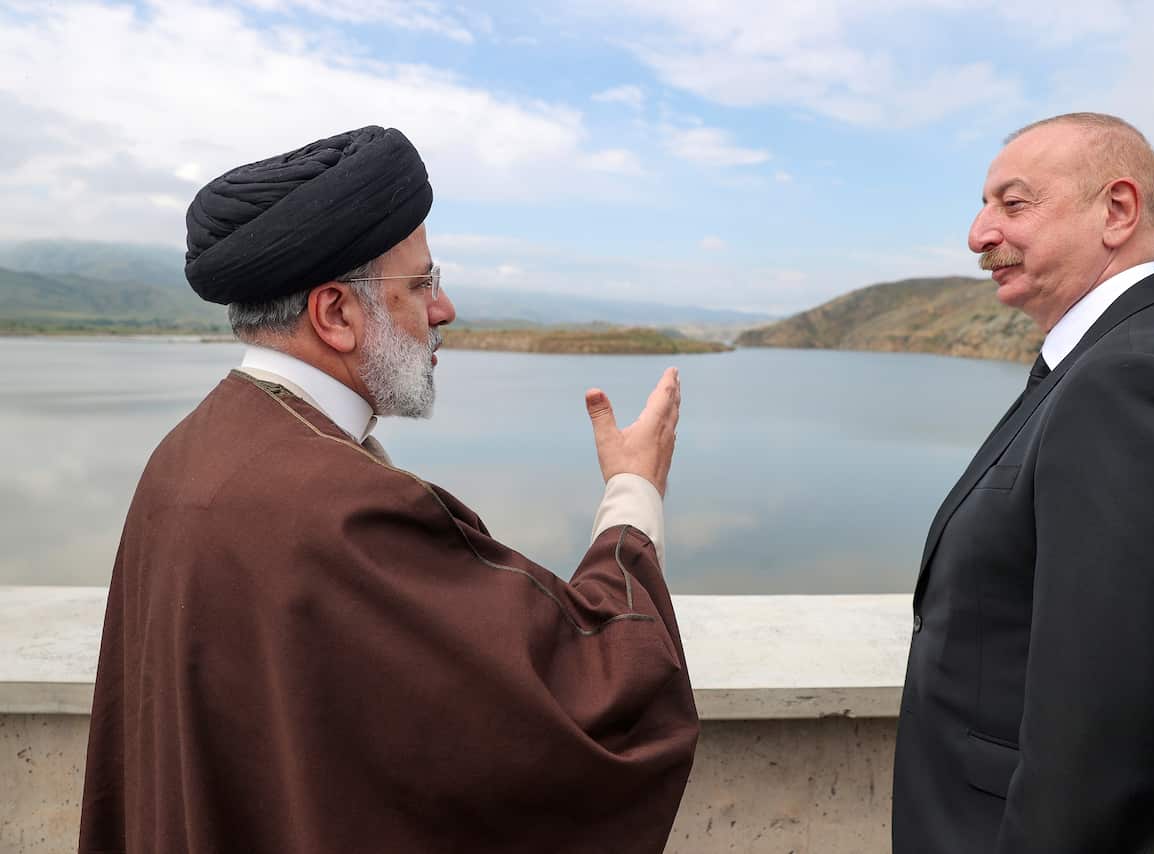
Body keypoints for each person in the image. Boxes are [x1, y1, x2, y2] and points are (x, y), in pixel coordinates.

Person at [78, 126, 699, 854]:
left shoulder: (182, 457)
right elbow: (592, 705)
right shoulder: (342, 510)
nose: (445, 310)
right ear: (335, 313)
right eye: (422, 285)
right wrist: (633, 493)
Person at [892, 113, 1154, 853]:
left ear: (1117, 211)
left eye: (1014, 203)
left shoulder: (1139, 381)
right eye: (985, 203)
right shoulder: (1107, 361)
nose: (978, 233)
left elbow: (1107, 739)